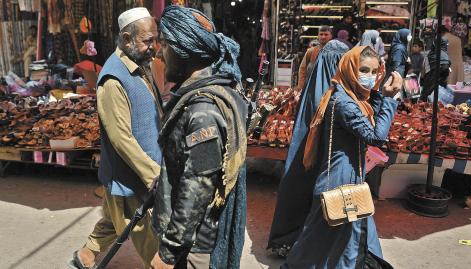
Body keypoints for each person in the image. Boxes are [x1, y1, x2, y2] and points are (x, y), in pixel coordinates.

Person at [282, 46, 402, 269]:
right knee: (320, 240)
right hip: (338, 181)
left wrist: (377, 94)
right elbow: (375, 136)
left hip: (348, 178)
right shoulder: (344, 102)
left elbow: (370, 116)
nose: (369, 75)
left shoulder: (352, 97)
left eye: (374, 71)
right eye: (363, 69)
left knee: (343, 238)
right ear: (349, 69)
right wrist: (390, 99)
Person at [150, 5, 247, 269]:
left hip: (194, 247)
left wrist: (168, 254)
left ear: (185, 51)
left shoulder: (203, 110)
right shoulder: (218, 89)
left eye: (166, 45)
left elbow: (198, 185)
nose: (160, 53)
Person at [68, 8, 161, 269]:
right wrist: (154, 174)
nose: (153, 47)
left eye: (154, 39)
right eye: (147, 41)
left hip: (140, 171)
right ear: (127, 39)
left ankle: (85, 254)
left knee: (115, 218)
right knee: (154, 246)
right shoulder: (112, 79)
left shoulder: (141, 64)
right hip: (130, 174)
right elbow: (121, 139)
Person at [267, 40, 350, 256]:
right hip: (317, 153)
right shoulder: (334, 92)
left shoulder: (317, 84)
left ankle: (289, 240)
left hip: (304, 154)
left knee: (300, 189)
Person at [296, 26, 333, 91]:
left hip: (329, 88)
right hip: (312, 88)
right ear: (318, 36)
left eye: (326, 34)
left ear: (331, 36)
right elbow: (302, 69)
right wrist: (301, 87)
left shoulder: (335, 53)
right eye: (321, 34)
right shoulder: (311, 52)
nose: (323, 37)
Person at [420, 36, 451, 101]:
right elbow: (447, 66)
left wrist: (422, 79)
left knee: (427, 96)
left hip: (432, 77)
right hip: (442, 79)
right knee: (439, 98)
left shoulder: (431, 53)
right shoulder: (445, 54)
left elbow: (425, 68)